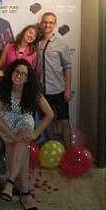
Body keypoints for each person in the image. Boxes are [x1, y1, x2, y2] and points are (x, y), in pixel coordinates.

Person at [0, 59, 54, 210]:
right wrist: (12, 136)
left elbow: (50, 114)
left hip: (24, 122)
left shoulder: (33, 92)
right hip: (6, 125)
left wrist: (36, 133)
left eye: (23, 74)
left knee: (23, 138)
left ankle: (11, 183)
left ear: (27, 78)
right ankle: (24, 193)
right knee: (19, 152)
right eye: (16, 72)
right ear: (11, 72)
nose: (19, 76)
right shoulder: (3, 87)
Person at [36, 12, 73, 146]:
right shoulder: (37, 43)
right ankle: (52, 146)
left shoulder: (62, 45)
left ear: (55, 24)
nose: (48, 25)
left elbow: (67, 67)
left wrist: (67, 89)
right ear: (41, 23)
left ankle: (68, 150)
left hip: (58, 89)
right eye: (45, 22)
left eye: (51, 22)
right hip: (42, 92)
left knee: (64, 121)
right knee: (47, 121)